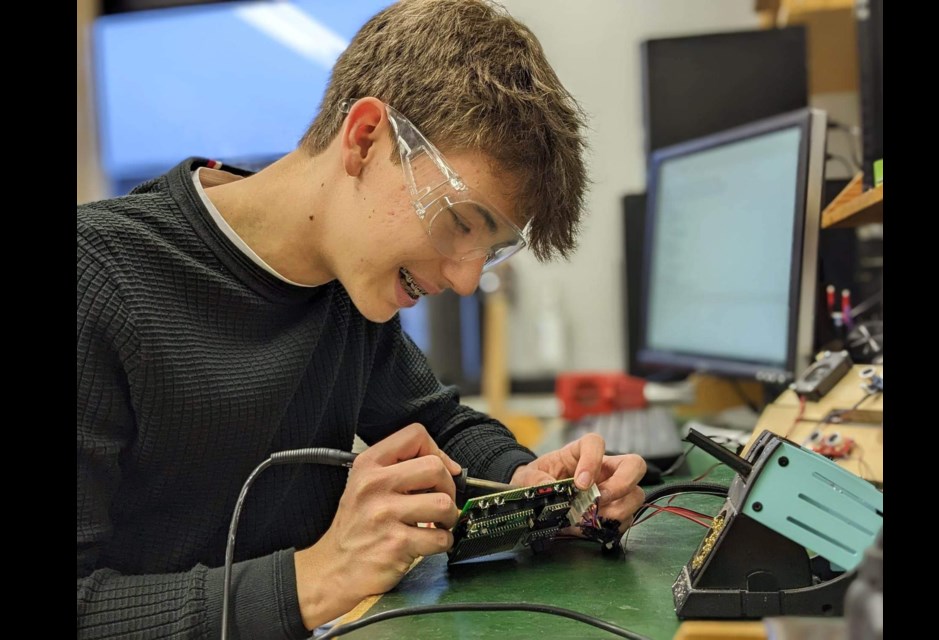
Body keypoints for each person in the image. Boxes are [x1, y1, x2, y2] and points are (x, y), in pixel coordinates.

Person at [76, 1, 647, 638]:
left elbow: (439, 426)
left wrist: (532, 489)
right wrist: (317, 577)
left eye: (488, 251)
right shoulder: (98, 278)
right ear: (365, 138)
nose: (464, 280)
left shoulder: (349, 289)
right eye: (460, 223)